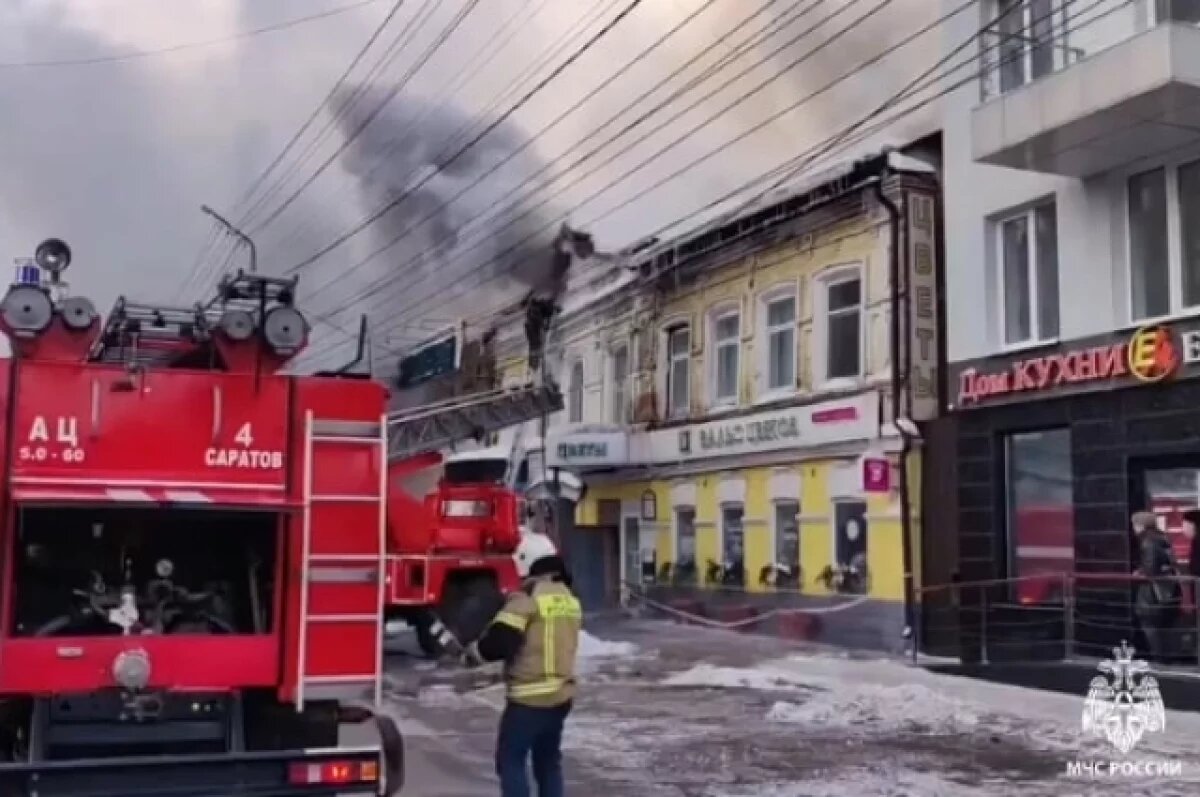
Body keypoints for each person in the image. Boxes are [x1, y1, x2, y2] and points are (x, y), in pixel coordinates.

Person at [464, 532, 581, 797]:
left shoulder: (527, 597)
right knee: (548, 762)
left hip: (529, 699)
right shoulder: (568, 597)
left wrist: (473, 653)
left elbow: (499, 643)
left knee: (510, 761)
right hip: (560, 696)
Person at [1131, 511, 1182, 663]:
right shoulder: (1163, 538)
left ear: (1140, 525)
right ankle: (1168, 658)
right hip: (1169, 590)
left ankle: (1160, 659)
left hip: (1153, 594)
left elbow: (1151, 568)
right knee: (1165, 627)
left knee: (1150, 625)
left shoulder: (1147, 541)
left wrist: (1139, 573)